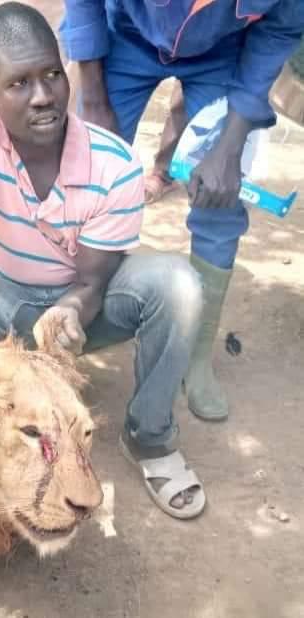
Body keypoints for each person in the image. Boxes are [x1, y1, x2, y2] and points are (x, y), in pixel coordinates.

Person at [0, 2, 206, 519]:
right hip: (6, 304)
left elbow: (92, 280)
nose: (43, 95)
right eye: (18, 83)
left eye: (51, 74)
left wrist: (72, 308)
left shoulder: (114, 163)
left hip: (84, 304)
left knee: (180, 284)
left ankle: (150, 436)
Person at [60, 1, 304, 422]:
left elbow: (279, 31)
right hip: (124, 35)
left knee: (221, 196)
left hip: (223, 53)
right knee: (85, 173)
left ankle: (195, 352)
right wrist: (94, 97)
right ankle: (61, 326)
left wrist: (231, 142)